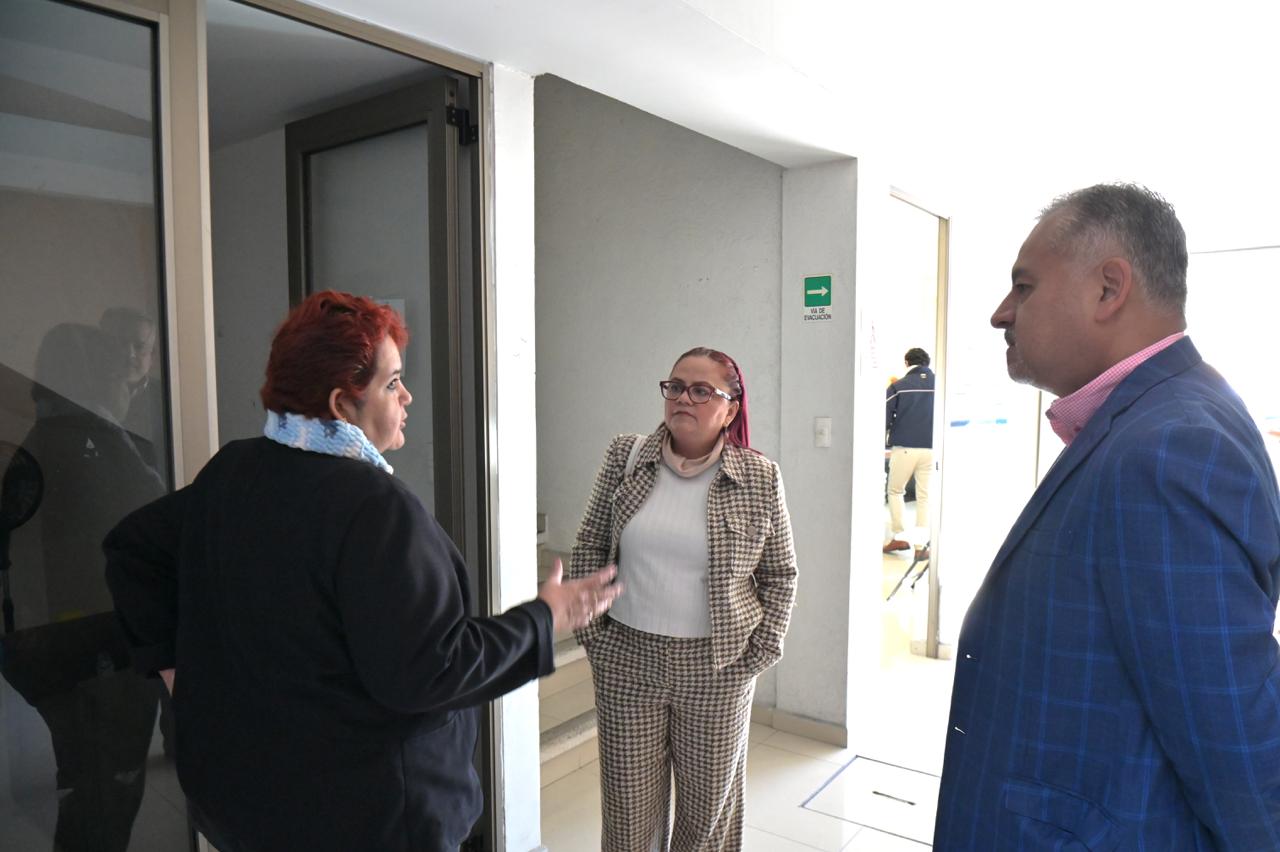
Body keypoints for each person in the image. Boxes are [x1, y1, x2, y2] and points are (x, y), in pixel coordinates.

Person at [102, 291, 620, 852]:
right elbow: (432, 671)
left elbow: (133, 548)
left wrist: (175, 670)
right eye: (393, 383)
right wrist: (546, 618)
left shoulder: (237, 469)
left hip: (243, 801)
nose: (408, 396)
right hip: (364, 817)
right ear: (342, 404)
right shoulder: (374, 509)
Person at [934, 184, 1280, 848]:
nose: (1001, 313)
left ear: (1108, 289)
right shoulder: (1159, 417)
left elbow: (1234, 740)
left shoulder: (1170, 445)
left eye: (1024, 287)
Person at [570, 346, 797, 851]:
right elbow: (589, 545)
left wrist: (757, 655)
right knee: (628, 819)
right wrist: (595, 639)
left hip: (717, 666)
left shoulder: (759, 477)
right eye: (675, 387)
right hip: (627, 659)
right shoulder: (626, 457)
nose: (682, 399)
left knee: (706, 821)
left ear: (731, 409)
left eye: (700, 391)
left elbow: (780, 574)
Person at [883, 347, 935, 553]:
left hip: (904, 447)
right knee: (925, 496)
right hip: (931, 448)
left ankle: (900, 536)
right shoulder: (939, 384)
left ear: (906, 362)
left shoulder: (898, 386)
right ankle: (921, 546)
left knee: (896, 491)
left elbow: (884, 417)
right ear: (927, 363)